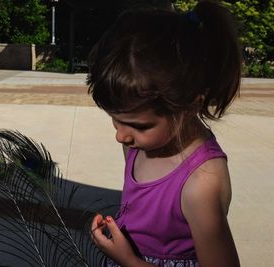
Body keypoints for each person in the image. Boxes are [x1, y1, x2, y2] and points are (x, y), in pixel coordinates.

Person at [87, 1, 241, 266]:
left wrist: (128, 259)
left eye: (140, 125)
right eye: (115, 119)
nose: (121, 136)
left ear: (190, 106)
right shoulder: (138, 144)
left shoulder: (201, 183)